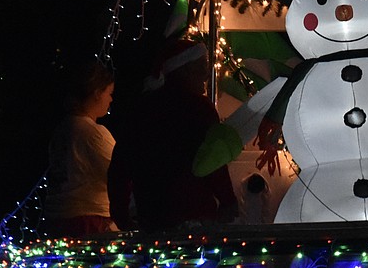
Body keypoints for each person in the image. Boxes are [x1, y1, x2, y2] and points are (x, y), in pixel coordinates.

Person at [108, 37, 238, 231]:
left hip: (151, 217)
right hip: (195, 216)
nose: (205, 74)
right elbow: (211, 161)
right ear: (184, 69)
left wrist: (121, 213)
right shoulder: (199, 108)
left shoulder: (141, 109)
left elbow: (120, 165)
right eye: (201, 66)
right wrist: (228, 201)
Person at [44, 58, 120, 238]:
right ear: (96, 93)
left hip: (57, 220)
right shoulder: (92, 133)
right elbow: (118, 173)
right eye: (109, 93)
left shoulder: (63, 128)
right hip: (88, 221)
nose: (110, 99)